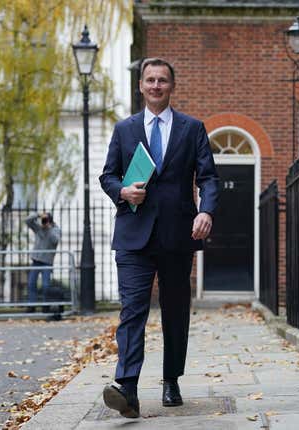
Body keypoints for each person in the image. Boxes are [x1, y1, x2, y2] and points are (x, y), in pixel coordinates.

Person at [99, 57, 219, 417]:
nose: (155, 86)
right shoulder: (124, 129)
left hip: (177, 234)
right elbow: (108, 176)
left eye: (162, 81)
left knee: (175, 311)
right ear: (140, 86)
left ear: (171, 86)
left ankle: (171, 379)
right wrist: (122, 192)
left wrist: (206, 210)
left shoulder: (192, 128)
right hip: (133, 235)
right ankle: (128, 388)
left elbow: (209, 177)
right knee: (132, 310)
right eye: (149, 80)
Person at [24, 212, 61, 311]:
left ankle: (46, 306)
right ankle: (31, 306)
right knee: (31, 283)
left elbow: (55, 241)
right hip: (36, 260)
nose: (44, 222)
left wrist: (49, 229)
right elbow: (27, 221)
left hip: (47, 262)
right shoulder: (39, 228)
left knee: (46, 286)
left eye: (46, 220)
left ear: (50, 221)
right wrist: (38, 215)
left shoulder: (56, 230)